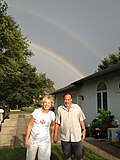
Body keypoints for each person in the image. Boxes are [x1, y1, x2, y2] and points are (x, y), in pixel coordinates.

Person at [54, 93, 86, 160]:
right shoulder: (60, 109)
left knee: (79, 157)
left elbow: (81, 119)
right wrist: (55, 135)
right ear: (63, 100)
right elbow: (57, 123)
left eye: (68, 99)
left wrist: (84, 130)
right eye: (65, 99)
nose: (67, 101)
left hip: (76, 137)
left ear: (71, 100)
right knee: (67, 157)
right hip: (65, 138)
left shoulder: (77, 107)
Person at [25, 95, 55, 160]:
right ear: (43, 103)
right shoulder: (36, 112)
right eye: (45, 102)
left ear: (51, 104)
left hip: (45, 141)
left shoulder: (52, 114)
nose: (47, 104)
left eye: (49, 103)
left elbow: (52, 126)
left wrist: (51, 137)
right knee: (30, 158)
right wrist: (27, 139)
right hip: (33, 139)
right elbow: (30, 125)